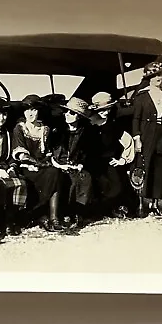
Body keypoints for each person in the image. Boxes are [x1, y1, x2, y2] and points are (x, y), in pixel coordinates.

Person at [11, 94, 64, 232]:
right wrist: (36, 164)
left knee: (54, 172)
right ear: (23, 112)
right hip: (25, 166)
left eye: (34, 110)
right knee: (43, 174)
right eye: (27, 110)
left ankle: (54, 218)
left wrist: (46, 162)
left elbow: (47, 152)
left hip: (41, 166)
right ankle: (39, 214)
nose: (30, 113)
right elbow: (21, 154)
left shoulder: (44, 129)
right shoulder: (20, 128)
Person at [132, 62, 162, 217]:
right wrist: (137, 137)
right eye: (154, 75)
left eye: (160, 75)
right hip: (147, 134)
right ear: (149, 78)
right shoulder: (142, 96)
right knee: (144, 167)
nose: (158, 78)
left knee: (160, 168)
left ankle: (156, 204)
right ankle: (141, 205)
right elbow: (136, 118)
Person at [0, 97, 28, 236]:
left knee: (20, 183)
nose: (1, 118)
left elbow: (11, 156)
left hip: (3, 167)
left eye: (4, 114)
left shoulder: (7, 133)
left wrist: (11, 167)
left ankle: (9, 220)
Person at [88, 92, 135, 218]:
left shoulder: (114, 125)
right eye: (102, 110)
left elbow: (128, 141)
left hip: (108, 161)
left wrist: (122, 160)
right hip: (90, 162)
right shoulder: (88, 124)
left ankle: (114, 209)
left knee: (116, 185)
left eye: (108, 109)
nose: (106, 112)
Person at [51, 97, 93, 228]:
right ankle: (63, 214)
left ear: (79, 117)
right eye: (67, 112)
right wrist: (59, 164)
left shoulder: (86, 133)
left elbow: (89, 153)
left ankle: (78, 214)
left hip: (76, 165)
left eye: (72, 113)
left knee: (84, 178)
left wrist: (81, 164)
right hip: (59, 164)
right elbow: (51, 152)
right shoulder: (57, 132)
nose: (68, 115)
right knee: (62, 179)